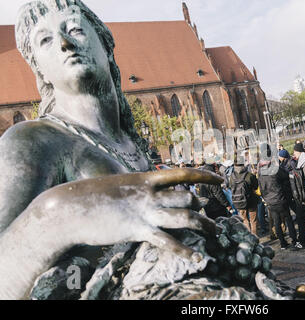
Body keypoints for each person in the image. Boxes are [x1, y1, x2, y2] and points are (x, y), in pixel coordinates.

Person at [0, 0, 224, 300]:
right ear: (38, 68)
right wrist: (60, 213)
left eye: (75, 29)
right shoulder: (29, 142)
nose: (65, 44)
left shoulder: (131, 144)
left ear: (106, 44)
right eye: (45, 40)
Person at [258, 143, 302, 250]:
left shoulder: (260, 170)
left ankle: (282, 244)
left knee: (277, 222)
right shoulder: (274, 168)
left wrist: (266, 198)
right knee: (288, 219)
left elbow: (261, 186)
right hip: (280, 198)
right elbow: (285, 176)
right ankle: (294, 241)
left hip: (270, 200)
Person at [229, 161, 259, 235]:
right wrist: (254, 175)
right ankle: (255, 237)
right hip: (251, 201)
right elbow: (256, 186)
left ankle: (249, 239)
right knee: (253, 221)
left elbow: (230, 187)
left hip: (239, 202)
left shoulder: (232, 176)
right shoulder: (249, 175)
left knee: (245, 220)